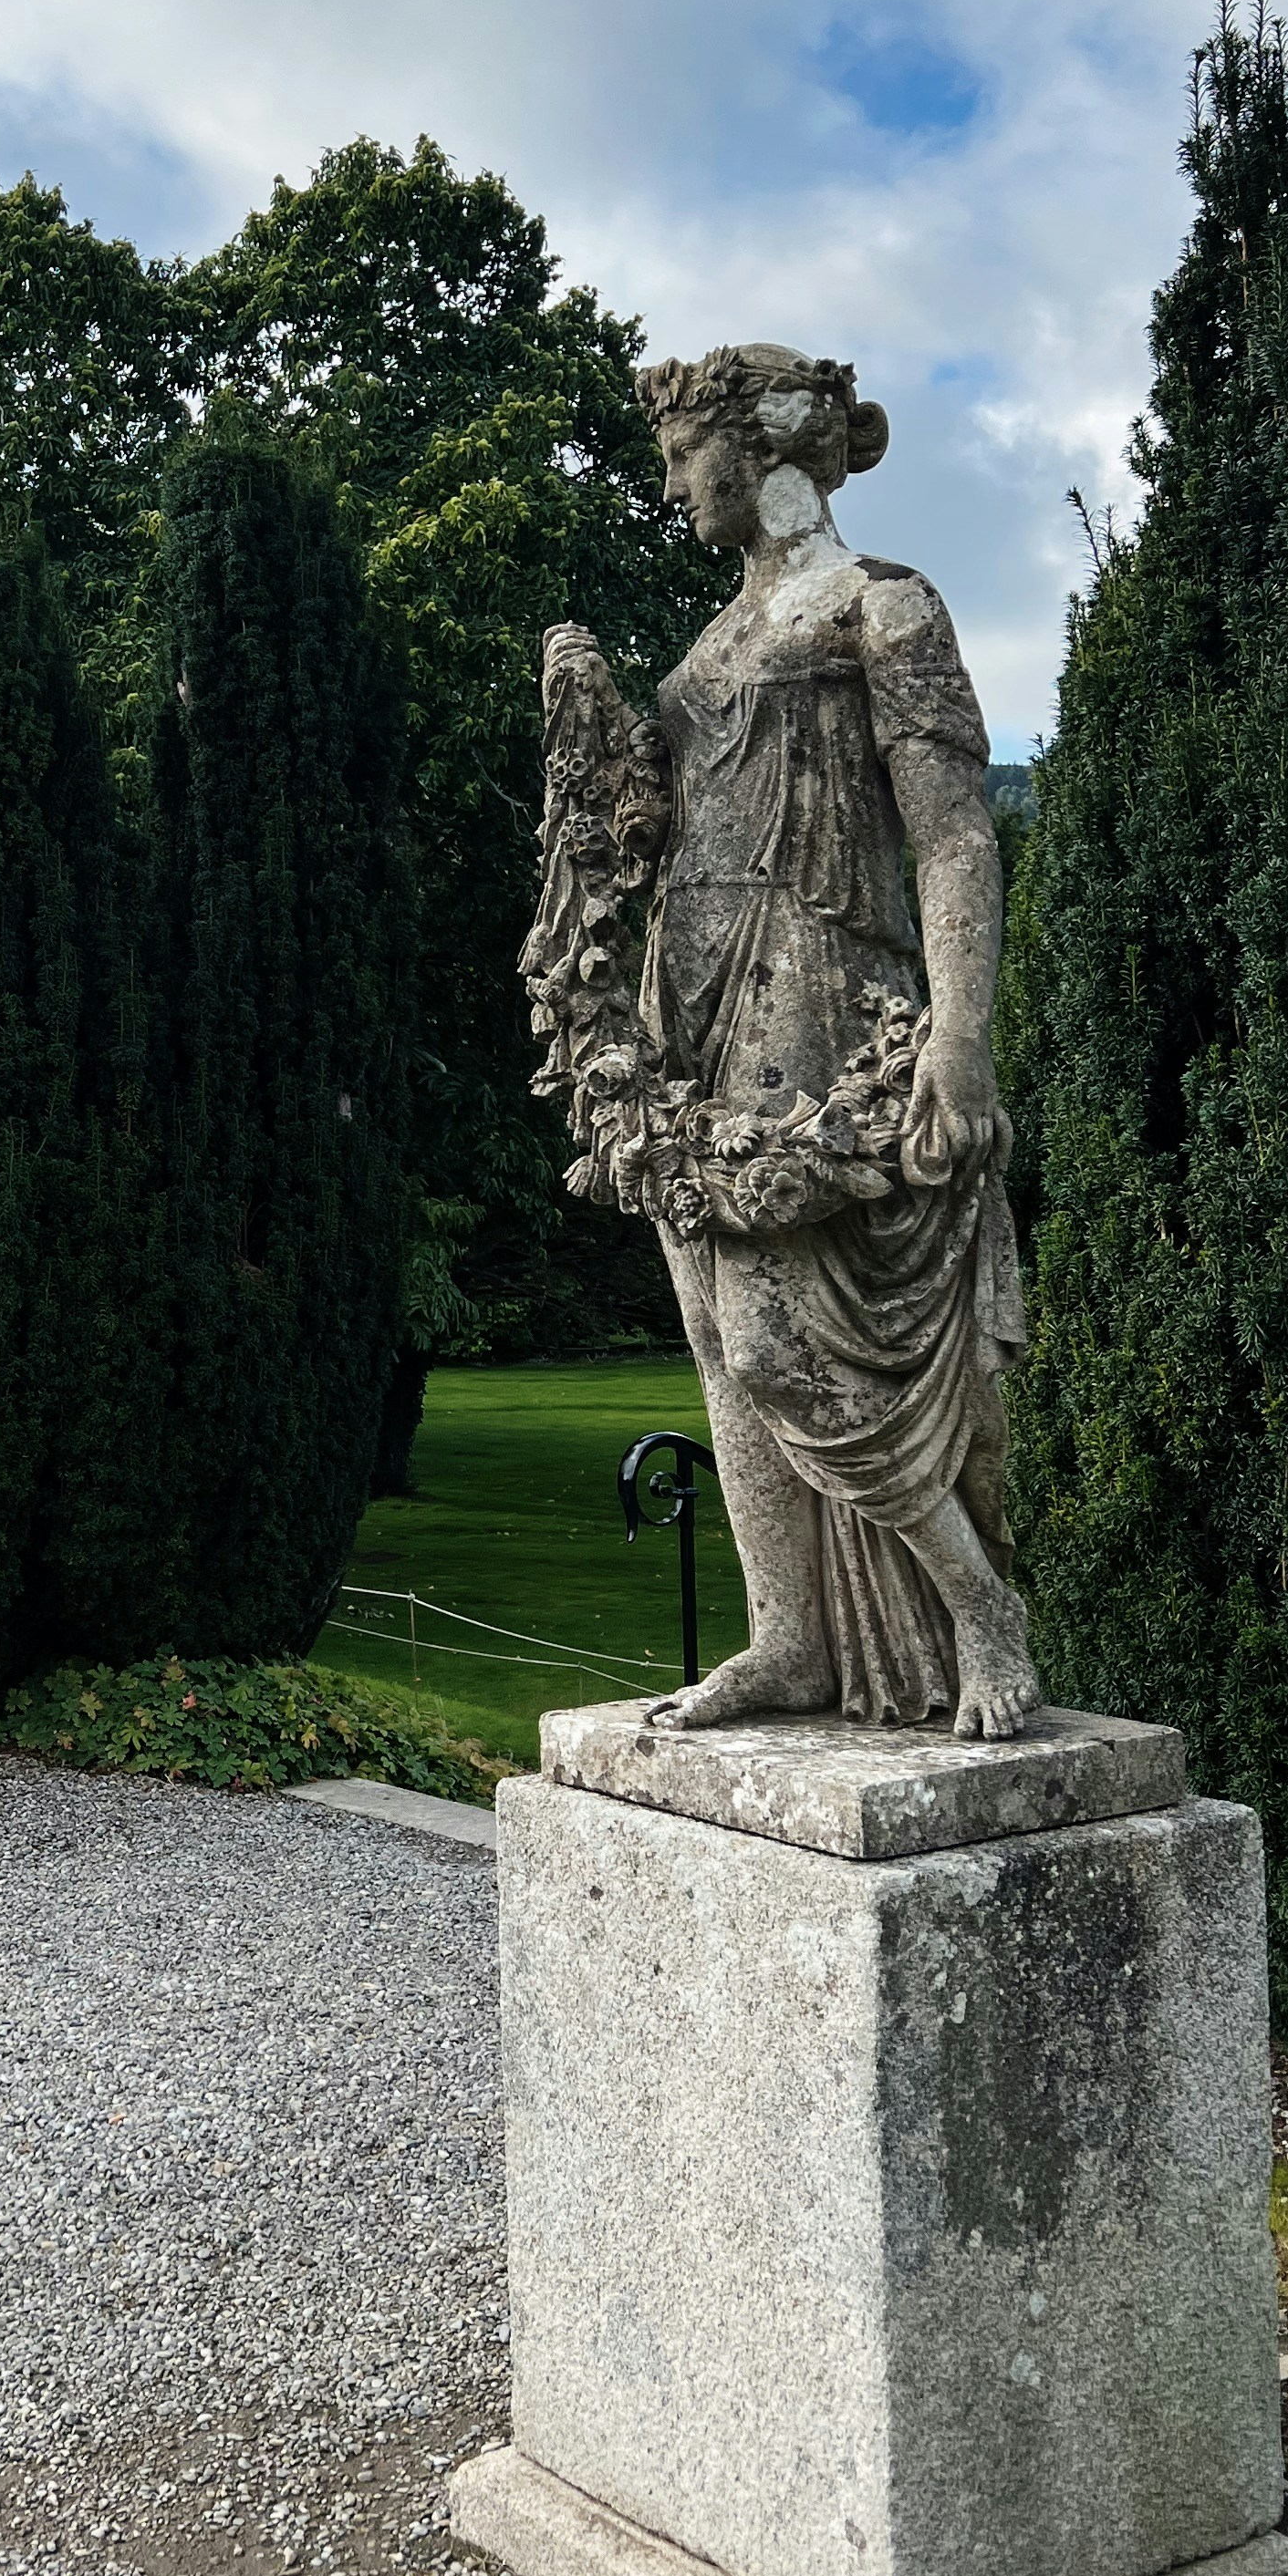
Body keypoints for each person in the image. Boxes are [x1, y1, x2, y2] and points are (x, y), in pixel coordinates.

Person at [538, 344, 1034, 1738]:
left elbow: (951, 832)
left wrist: (962, 1037)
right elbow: (658, 832)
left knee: (779, 1340)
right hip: (685, 1004)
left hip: (821, 989)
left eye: (680, 454)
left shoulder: (885, 610)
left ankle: (981, 1608)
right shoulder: (710, 645)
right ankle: (791, 1640)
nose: (670, 482)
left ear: (756, 448)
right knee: (712, 1328)